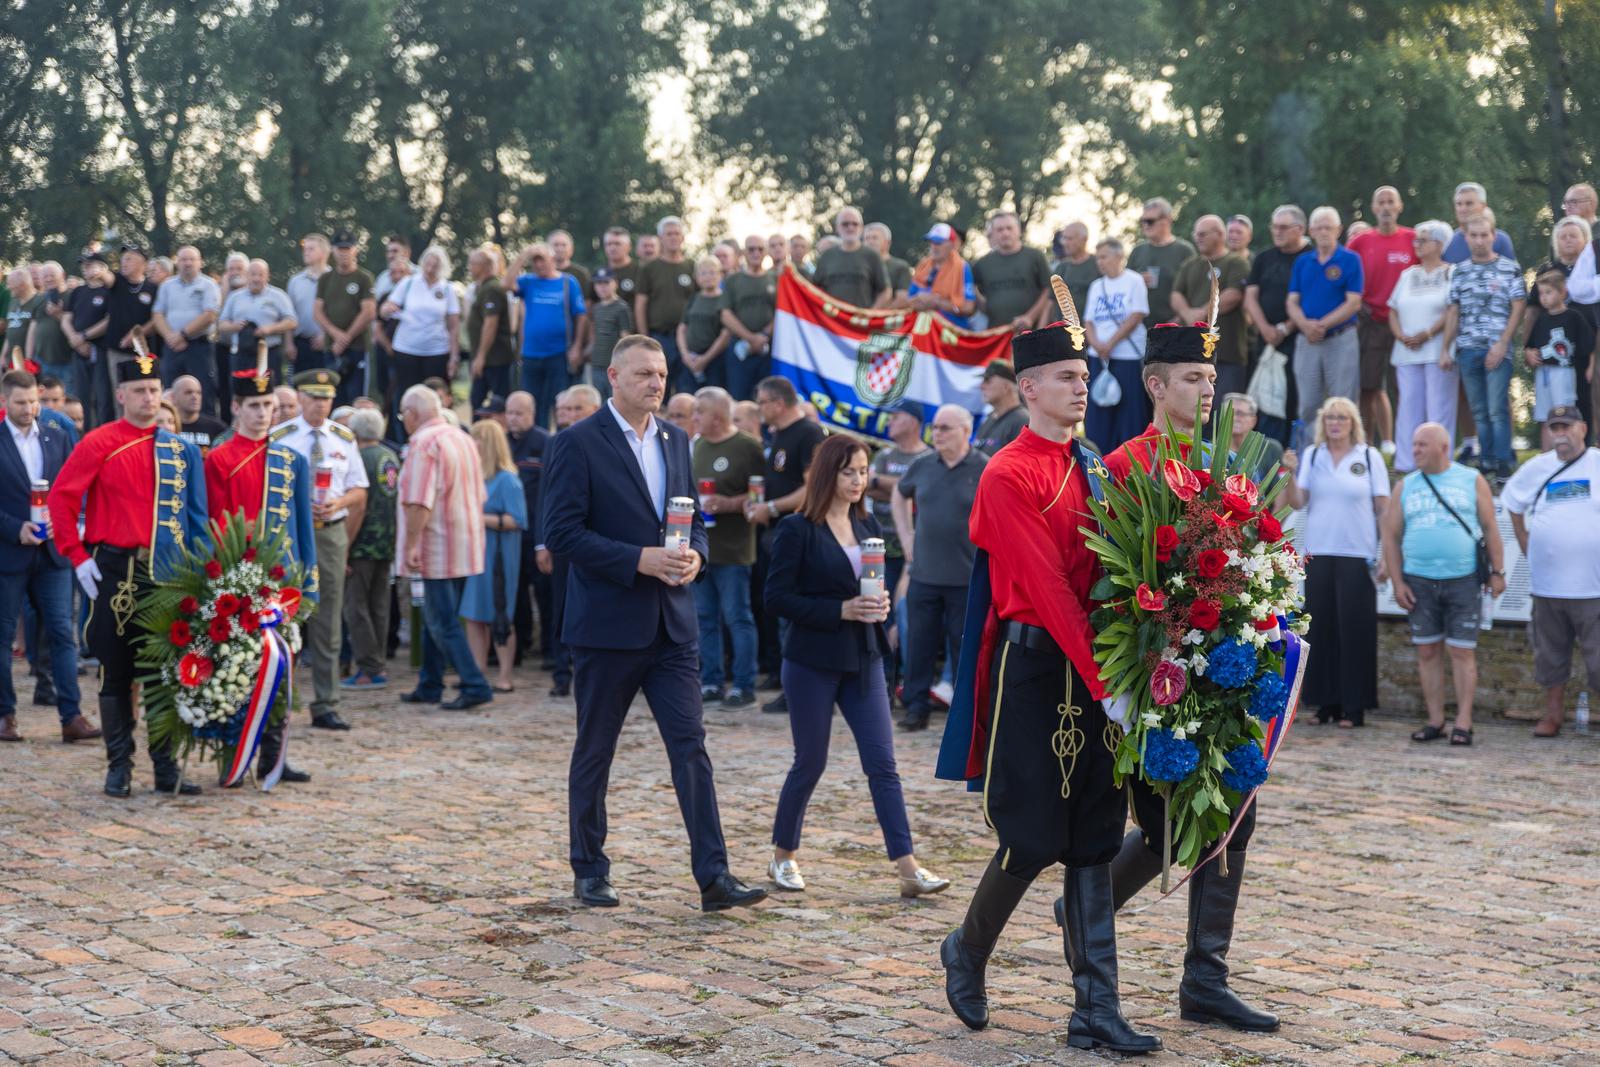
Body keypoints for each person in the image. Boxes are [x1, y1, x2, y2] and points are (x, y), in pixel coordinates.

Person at [935, 320, 1156, 1052]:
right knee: (1031, 835)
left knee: (1095, 836)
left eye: (1084, 377)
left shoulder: (1093, 463)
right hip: (1036, 672)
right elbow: (1048, 587)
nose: (1081, 388)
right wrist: (1107, 681)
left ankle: (1096, 1007)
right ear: (1028, 387)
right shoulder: (1007, 474)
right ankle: (967, 948)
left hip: (1098, 668)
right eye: (1066, 377)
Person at [1090, 322, 1278, 1035]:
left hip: (1219, 670)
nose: (1207, 391)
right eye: (1193, 379)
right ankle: (1089, 907)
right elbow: (1108, 575)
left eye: (1211, 379)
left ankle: (1205, 979)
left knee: (1236, 813)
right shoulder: (1124, 464)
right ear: (1155, 384)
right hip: (1153, 672)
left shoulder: (1219, 464)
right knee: (1166, 823)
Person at [541, 334, 769, 912]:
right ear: (613, 377)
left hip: (672, 626)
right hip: (606, 626)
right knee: (596, 751)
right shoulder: (576, 442)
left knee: (691, 749)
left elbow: (692, 521)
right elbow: (561, 533)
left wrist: (696, 557)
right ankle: (589, 869)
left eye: (662, 373)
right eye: (644, 373)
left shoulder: (675, 439)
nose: (657, 383)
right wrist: (635, 559)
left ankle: (714, 877)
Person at [765, 432, 949, 896]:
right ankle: (783, 855)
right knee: (810, 761)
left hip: (865, 656)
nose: (858, 481)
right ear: (828, 473)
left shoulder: (868, 527)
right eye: (849, 472)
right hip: (812, 659)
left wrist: (879, 605)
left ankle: (908, 869)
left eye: (864, 472)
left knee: (883, 765)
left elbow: (870, 587)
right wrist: (839, 610)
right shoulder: (797, 529)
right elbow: (777, 598)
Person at [47, 349, 207, 796]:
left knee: (165, 671)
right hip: (116, 570)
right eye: (139, 391)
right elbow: (61, 499)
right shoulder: (99, 442)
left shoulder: (182, 451)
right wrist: (77, 556)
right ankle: (119, 766)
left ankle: (165, 767)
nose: (149, 398)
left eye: (154, 390)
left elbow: (197, 520)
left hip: (169, 573)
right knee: (115, 670)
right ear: (121, 395)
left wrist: (202, 574)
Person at [202, 355, 318, 783]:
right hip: (238, 583)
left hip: (282, 587)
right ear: (236, 407)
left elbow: (303, 527)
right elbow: (213, 524)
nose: (263, 413)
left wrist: (309, 583)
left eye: (268, 405)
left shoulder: (291, 461)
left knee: (282, 671)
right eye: (254, 406)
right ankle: (234, 756)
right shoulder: (219, 460)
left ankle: (274, 756)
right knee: (236, 671)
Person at [1381, 422, 1503, 747]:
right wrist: (1397, 582)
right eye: (1414, 444)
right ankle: (1435, 720)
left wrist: (1498, 572)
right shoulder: (1405, 485)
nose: (1415, 450)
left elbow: (1490, 527)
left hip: (1463, 579)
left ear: (1444, 448)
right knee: (1427, 650)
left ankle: (1463, 722)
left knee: (1462, 651)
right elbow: (1390, 537)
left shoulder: (1471, 479)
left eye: (1422, 444)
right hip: (1419, 581)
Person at [0, 370, 97, 745]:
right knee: (4, 636)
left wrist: (65, 521)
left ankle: (71, 715)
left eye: (33, 402)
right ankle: (5, 715)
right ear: (4, 401)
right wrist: (15, 528)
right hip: (10, 553)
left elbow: (76, 487)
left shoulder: (57, 437)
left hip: (53, 553)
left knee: (62, 633)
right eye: (21, 403)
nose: (29, 409)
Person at [1280, 396, 1389, 727]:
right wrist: (1290, 472)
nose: (1335, 423)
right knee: (1321, 629)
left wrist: (1386, 554)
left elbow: (1383, 509)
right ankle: (1325, 704)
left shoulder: (1368, 457)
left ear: (1353, 422)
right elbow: (1298, 501)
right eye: (1330, 418)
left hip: (1357, 553)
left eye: (1342, 417)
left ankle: (1354, 707)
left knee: (1355, 630)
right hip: (1319, 552)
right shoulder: (1314, 456)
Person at [274, 369, 368, 730]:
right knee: (283, 613)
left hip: (330, 531)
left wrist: (338, 502)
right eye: (314, 397)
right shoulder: (281, 437)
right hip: (291, 533)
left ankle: (326, 702)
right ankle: (278, 697)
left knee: (328, 618)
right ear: (300, 398)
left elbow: (359, 489)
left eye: (327, 398)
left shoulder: (343, 437)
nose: (321, 404)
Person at [1502, 407, 1600, 737]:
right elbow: (1512, 503)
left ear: (1582, 428)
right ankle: (1553, 716)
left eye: (1566, 427)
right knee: (1549, 656)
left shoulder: (1597, 464)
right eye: (1554, 428)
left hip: (1593, 587)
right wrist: (1524, 540)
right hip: (1548, 587)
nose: (1560, 434)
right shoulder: (1537, 468)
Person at [395, 384, 494, 710]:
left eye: (403, 416)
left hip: (436, 543)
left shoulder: (424, 443)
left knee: (442, 620)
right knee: (435, 616)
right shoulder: (461, 437)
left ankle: (475, 684)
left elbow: (419, 501)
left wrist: (411, 544)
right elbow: (479, 492)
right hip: (464, 541)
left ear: (412, 414)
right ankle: (430, 683)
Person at [891, 404, 987, 730]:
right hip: (925, 575)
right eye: (935, 427)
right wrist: (905, 534)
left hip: (966, 577)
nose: (937, 433)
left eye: (946, 427)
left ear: (966, 431)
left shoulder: (984, 467)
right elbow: (899, 493)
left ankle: (964, 714)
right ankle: (916, 707)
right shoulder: (923, 465)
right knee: (919, 645)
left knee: (964, 649)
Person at [748, 375, 827, 712]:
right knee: (779, 610)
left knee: (793, 615)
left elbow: (812, 488)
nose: (759, 409)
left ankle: (801, 689)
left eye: (762, 403)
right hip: (777, 533)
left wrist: (771, 507)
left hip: (800, 534)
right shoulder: (778, 434)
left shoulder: (808, 433)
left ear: (778, 403)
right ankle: (787, 681)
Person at [691, 387, 765, 709]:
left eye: (699, 412)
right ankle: (711, 681)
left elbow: (760, 496)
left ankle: (744, 685)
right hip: (702, 550)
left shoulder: (748, 447)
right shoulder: (697, 445)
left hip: (734, 549)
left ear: (717, 416)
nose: (694, 418)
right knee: (705, 617)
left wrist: (728, 503)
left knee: (737, 617)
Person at [1442, 211, 1526, 481]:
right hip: (1467, 348)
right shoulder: (1459, 271)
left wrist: (1503, 343)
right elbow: (1453, 311)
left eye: (1484, 235)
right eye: (1474, 236)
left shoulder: (1509, 268)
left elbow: (1518, 307)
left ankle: (1503, 461)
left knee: (1496, 407)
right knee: (1478, 409)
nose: (1479, 240)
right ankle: (1486, 460)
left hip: (1497, 347)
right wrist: (1446, 348)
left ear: (1493, 236)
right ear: (1466, 238)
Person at [541, 384, 602, 698]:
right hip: (565, 541)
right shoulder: (557, 442)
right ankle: (561, 673)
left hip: (601, 541)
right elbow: (546, 494)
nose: (572, 415)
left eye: (578, 409)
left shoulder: (608, 442)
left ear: (594, 410)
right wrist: (543, 543)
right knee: (561, 606)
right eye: (568, 409)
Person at [866, 400, 929, 697]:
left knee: (907, 617)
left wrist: (883, 483)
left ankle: (907, 680)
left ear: (914, 422)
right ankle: (882, 681)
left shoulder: (928, 458)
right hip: (879, 550)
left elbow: (920, 490)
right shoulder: (884, 455)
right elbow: (868, 486)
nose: (889, 421)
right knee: (879, 614)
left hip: (915, 552)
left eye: (896, 416)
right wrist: (901, 487)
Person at [461, 419, 526, 696]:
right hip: (475, 554)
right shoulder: (477, 478)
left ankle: (505, 675)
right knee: (474, 615)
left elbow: (517, 519)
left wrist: (478, 517)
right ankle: (477, 672)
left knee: (500, 615)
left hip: (499, 556)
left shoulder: (508, 480)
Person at [1347, 187, 1415, 454]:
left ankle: (1406, 444)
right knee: (1368, 385)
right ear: (1374, 208)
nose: (1386, 207)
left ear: (1399, 206)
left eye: (1390, 202)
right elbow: (1344, 272)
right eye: (1381, 203)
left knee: (1405, 387)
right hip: (1370, 321)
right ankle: (1365, 446)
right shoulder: (1361, 241)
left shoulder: (1412, 238)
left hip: (1406, 324)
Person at [1387, 220, 1457, 471]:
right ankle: (1406, 463)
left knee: (1439, 407)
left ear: (1439, 244)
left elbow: (1452, 309)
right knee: (1408, 406)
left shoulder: (1452, 272)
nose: (1416, 244)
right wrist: (1400, 336)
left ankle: (1440, 462)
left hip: (1438, 350)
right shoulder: (1408, 274)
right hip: (1407, 351)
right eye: (1415, 239)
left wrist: (1427, 334)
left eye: (1422, 240)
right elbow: (1393, 309)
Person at [1287, 206, 1364, 428]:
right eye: (1319, 228)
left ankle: (1346, 447)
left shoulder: (1350, 259)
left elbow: (1353, 302)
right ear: (1311, 231)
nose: (1323, 232)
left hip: (1341, 338)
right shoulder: (1303, 262)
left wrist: (1320, 325)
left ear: (1338, 230)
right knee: (1308, 405)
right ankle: (1310, 448)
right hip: (1307, 340)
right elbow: (1291, 301)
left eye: (1328, 227)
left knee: (1343, 402)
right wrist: (1305, 325)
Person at [340, 408, 399, 691]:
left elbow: (357, 507)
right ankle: (378, 663)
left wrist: (345, 546)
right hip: (385, 543)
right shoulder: (390, 456)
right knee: (379, 606)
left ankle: (369, 667)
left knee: (355, 607)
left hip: (362, 544)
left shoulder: (360, 458)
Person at [381, 246, 461, 443]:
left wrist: (454, 356)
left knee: (435, 395)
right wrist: (388, 308)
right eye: (428, 263)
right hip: (406, 349)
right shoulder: (408, 283)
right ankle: (404, 440)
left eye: (435, 265)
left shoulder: (447, 289)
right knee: (406, 396)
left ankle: (437, 437)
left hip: (437, 350)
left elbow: (453, 325)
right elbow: (384, 309)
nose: (430, 268)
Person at [1171, 214, 1251, 396]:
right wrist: (1187, 313)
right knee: (1196, 407)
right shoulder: (1190, 265)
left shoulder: (1236, 262)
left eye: (1202, 234)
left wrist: (1203, 312)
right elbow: (1176, 294)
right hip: (1193, 353)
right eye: (1196, 234)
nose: (1197, 238)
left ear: (1220, 234)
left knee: (1225, 408)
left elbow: (1234, 295)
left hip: (1226, 354)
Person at [1083, 237, 1151, 451]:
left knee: (1129, 415)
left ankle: (1131, 459)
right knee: (1099, 414)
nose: (1100, 262)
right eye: (1098, 258)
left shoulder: (1134, 281)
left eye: (1104, 257)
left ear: (1119, 256)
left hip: (1127, 356)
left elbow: (1137, 314)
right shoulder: (1096, 286)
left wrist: (1111, 343)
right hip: (1099, 357)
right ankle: (1099, 456)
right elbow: (1088, 321)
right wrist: (1096, 344)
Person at [509, 241, 585, 430]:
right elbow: (506, 284)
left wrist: (577, 347)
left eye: (541, 259)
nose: (538, 264)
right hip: (531, 354)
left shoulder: (568, 282)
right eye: (534, 261)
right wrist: (522, 256)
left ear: (552, 259)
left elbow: (581, 316)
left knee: (560, 404)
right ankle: (537, 442)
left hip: (559, 354)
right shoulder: (528, 281)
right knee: (533, 405)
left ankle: (561, 441)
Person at [505, 391, 551, 670]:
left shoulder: (545, 442)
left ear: (531, 414)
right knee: (516, 593)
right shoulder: (503, 443)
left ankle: (550, 650)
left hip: (537, 533)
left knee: (545, 595)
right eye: (510, 413)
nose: (513, 418)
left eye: (519, 413)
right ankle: (518, 647)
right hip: (511, 533)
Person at [149, 246, 222, 416]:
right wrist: (171, 337)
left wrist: (182, 334)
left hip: (199, 346)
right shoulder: (167, 285)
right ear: (177, 263)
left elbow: (210, 315)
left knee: (203, 391)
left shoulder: (208, 285)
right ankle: (170, 424)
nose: (187, 263)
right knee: (170, 391)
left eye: (192, 259)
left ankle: (205, 428)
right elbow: (157, 314)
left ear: (200, 262)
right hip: (172, 347)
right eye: (183, 259)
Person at [95, 245, 162, 428]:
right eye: (123, 259)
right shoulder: (118, 281)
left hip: (144, 353)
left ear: (143, 264)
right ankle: (122, 429)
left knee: (145, 392)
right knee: (121, 393)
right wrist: (100, 272)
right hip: (117, 351)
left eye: (129, 259)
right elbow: (107, 278)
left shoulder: (153, 288)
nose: (124, 262)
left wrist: (136, 336)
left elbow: (156, 319)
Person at [1524, 271, 1596, 438]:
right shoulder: (1541, 320)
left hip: (1564, 372)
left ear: (1563, 292)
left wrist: (1591, 367)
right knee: (1545, 416)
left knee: (1565, 413)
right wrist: (1529, 354)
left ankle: (1569, 446)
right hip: (1543, 373)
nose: (1544, 297)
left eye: (1548, 292)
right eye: (1541, 293)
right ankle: (1547, 451)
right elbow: (1530, 346)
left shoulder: (1573, 317)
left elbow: (1589, 344)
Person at [314, 232, 377, 405]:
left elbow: (368, 312)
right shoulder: (326, 279)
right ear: (333, 251)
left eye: (347, 249)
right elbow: (317, 311)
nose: (344, 253)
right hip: (332, 347)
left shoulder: (364, 278)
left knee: (357, 397)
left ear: (355, 250)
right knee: (333, 397)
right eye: (340, 249)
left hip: (357, 347)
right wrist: (336, 335)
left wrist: (346, 337)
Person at [635, 217, 696, 390]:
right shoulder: (649, 268)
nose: (673, 237)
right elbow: (640, 305)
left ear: (683, 237)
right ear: (661, 238)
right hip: (659, 337)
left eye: (677, 234)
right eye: (669, 234)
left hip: (688, 338)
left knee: (687, 390)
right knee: (658, 388)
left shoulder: (692, 266)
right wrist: (645, 338)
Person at [218, 259, 298, 384]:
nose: (256, 279)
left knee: (269, 389)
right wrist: (234, 326)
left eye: (261, 275)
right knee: (240, 389)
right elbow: (221, 325)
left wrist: (270, 328)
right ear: (246, 275)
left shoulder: (278, 296)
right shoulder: (235, 297)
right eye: (253, 274)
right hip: (241, 354)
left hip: (268, 352)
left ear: (268, 276)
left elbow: (292, 321)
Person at [718, 237, 778, 401]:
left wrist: (764, 335)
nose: (756, 253)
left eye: (760, 249)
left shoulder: (775, 278)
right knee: (738, 399)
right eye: (751, 249)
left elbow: (781, 312)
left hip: (769, 348)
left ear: (766, 252)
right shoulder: (733, 280)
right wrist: (751, 338)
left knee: (767, 400)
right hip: (739, 348)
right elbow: (725, 314)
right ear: (744, 253)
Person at [973, 211, 1052, 331]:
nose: (1005, 233)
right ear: (992, 234)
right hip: (996, 333)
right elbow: (970, 291)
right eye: (999, 230)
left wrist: (1030, 317)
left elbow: (1048, 290)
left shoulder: (1035, 257)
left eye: (1009, 228)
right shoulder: (982, 264)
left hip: (1031, 332)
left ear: (1019, 231)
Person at [1127, 197, 1196, 327]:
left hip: (1174, 327)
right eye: (1143, 221)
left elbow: (1195, 290)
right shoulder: (1137, 251)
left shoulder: (1185, 251)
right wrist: (1137, 281)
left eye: (1150, 221)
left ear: (1167, 220)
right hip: (1139, 328)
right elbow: (1123, 289)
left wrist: (1180, 318)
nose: (1145, 225)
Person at [462, 248, 516, 411]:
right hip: (487, 359)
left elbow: (490, 324)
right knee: (477, 401)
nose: (469, 268)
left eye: (472, 264)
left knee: (496, 403)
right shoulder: (481, 288)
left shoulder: (492, 288)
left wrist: (480, 357)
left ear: (484, 266)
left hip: (494, 359)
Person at [812, 206, 890, 310]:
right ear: (837, 227)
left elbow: (886, 291)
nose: (850, 228)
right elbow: (815, 289)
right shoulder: (827, 256)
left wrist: (870, 313)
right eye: (845, 224)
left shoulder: (872, 256)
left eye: (855, 224)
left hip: (860, 318)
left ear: (861, 228)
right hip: (830, 317)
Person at [909, 224, 977, 327]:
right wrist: (919, 300)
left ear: (952, 245)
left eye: (938, 242)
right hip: (922, 327)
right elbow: (909, 299)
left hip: (951, 329)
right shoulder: (923, 266)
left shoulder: (962, 268)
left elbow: (969, 307)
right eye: (931, 241)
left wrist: (938, 303)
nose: (934, 246)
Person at [678, 257, 731, 389]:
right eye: (703, 273)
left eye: (712, 272)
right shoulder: (694, 298)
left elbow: (725, 334)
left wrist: (705, 359)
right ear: (697, 277)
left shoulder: (725, 300)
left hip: (715, 361)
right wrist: (685, 355)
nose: (708, 277)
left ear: (720, 275)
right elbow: (682, 328)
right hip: (690, 360)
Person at [587, 268, 634, 403]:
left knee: (615, 401)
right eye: (598, 283)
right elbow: (594, 335)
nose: (602, 287)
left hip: (614, 366)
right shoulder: (596, 308)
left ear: (615, 284)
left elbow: (626, 338)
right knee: (599, 402)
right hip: (597, 363)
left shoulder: (621, 307)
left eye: (606, 283)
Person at [287, 234, 332, 373]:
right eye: (304, 249)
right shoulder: (295, 281)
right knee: (300, 384)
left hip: (329, 345)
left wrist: (327, 336)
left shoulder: (335, 279)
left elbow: (341, 313)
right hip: (301, 345)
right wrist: (289, 343)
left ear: (324, 253)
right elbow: (289, 315)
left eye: (311, 249)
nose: (306, 252)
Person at [1443, 182, 1517, 264]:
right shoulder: (1447, 242)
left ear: (1483, 206)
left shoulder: (1500, 240)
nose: (1463, 209)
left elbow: (1511, 270)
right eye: (1459, 204)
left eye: (1469, 203)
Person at [1224, 393, 1283, 481]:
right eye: (1229, 413)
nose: (1234, 418)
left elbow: (1281, 487)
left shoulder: (1269, 448)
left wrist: (1291, 471)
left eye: (1240, 413)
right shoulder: (1212, 448)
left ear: (1253, 420)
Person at [972, 361, 1026, 455]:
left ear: (1006, 387)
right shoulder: (989, 418)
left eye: (987, 380)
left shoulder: (1022, 421)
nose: (981, 386)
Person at [1050, 221, 1100, 319]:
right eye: (1064, 238)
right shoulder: (1061, 268)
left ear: (1084, 239)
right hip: (1063, 327)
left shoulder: (1098, 265)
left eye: (1069, 239)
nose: (1065, 243)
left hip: (1089, 327)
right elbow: (1050, 302)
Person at [170, 374, 226, 452]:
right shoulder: (167, 427)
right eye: (188, 392)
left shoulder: (217, 428)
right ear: (173, 397)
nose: (195, 397)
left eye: (198, 393)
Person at [863, 222, 913, 308]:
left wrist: (876, 313)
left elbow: (902, 299)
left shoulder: (900, 267)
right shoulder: (859, 266)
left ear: (887, 242)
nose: (870, 242)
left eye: (875, 238)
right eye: (867, 238)